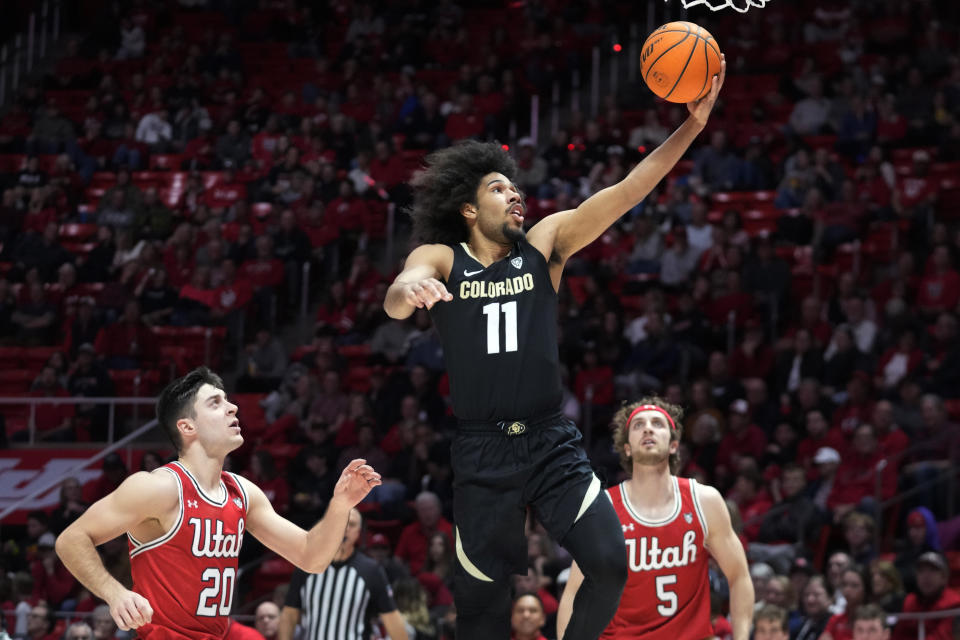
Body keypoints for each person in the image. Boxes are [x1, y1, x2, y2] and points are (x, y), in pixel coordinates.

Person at [383, 53, 726, 640]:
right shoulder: (446, 258)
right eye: (498, 188)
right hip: (482, 452)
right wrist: (409, 288)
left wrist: (691, 125)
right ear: (469, 209)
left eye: (516, 187)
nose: (515, 195)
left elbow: (628, 191)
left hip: (549, 440)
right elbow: (396, 293)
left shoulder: (544, 246)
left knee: (611, 563)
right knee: (482, 616)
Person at [55, 367, 382, 639]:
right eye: (215, 403)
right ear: (187, 427)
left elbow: (312, 557)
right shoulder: (157, 487)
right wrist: (116, 593)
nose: (232, 408)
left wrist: (340, 505)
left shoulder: (243, 493)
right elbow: (71, 539)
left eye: (227, 400)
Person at [557, 398, 754, 640]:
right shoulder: (603, 507)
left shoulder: (705, 500)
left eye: (657, 423)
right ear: (627, 448)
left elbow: (739, 576)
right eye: (638, 425)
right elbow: (574, 593)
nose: (648, 428)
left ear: (673, 445)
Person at [278, 508, 408, 640]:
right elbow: (289, 614)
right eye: (341, 521)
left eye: (351, 524)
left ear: (358, 532)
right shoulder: (306, 564)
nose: (345, 528)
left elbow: (391, 617)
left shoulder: (371, 570)